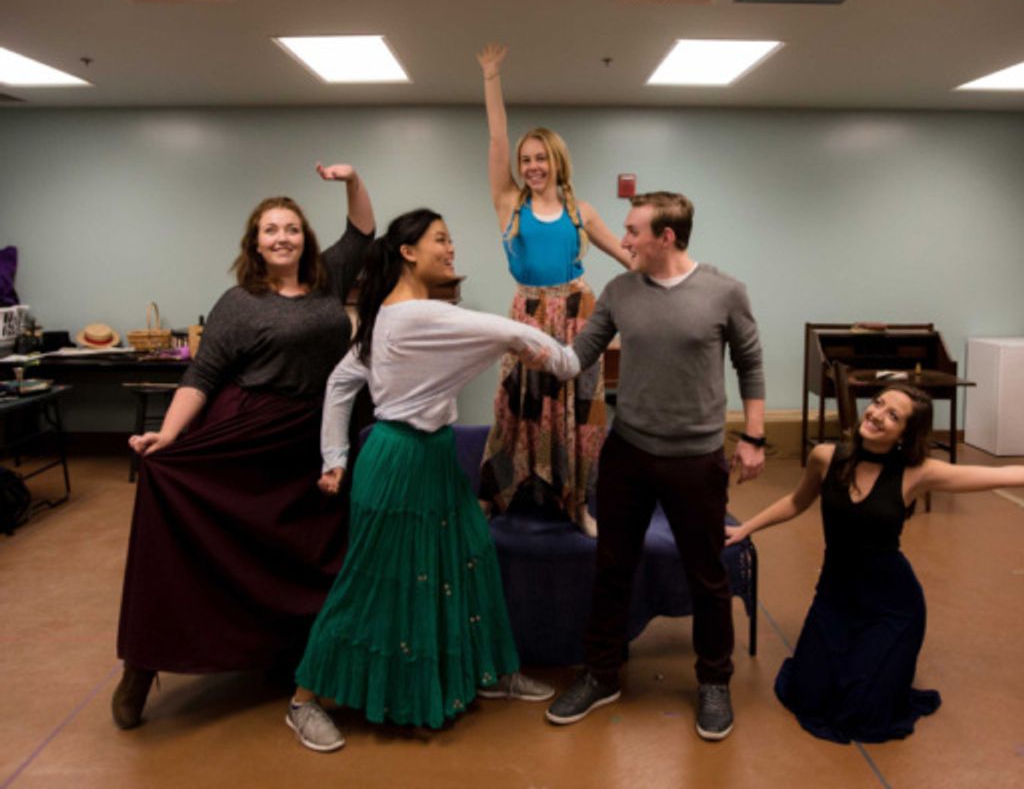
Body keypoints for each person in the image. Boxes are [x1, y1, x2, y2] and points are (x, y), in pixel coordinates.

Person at [286, 208, 579, 753]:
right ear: (408, 252)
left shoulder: (388, 317)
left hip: (435, 458)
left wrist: (336, 456)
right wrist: (563, 357)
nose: (451, 249)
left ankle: (492, 672)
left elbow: (342, 379)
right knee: (372, 581)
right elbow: (509, 330)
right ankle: (304, 701)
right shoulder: (413, 316)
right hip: (398, 464)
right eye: (441, 239)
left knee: (470, 559)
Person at [112, 164, 375, 730]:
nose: (283, 237)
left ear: (304, 237)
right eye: (271, 230)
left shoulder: (329, 282)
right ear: (255, 244)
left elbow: (361, 233)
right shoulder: (240, 302)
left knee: (308, 550)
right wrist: (170, 435)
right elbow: (203, 375)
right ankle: (143, 660)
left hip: (318, 437)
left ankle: (289, 653)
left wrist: (352, 181)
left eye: (292, 228)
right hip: (252, 436)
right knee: (189, 509)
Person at [726, 384, 1024, 744]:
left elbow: (999, 476)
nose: (877, 415)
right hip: (835, 595)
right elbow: (797, 502)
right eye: (878, 404)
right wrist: (747, 528)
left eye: (893, 415)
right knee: (809, 694)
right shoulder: (825, 456)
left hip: (892, 606)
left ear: (906, 433)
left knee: (864, 712)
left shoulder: (917, 474)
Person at [544, 191, 766, 742]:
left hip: (696, 458)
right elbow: (579, 355)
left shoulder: (724, 291)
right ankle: (601, 673)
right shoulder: (620, 291)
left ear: (666, 236)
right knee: (612, 567)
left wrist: (755, 436)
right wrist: (524, 343)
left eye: (632, 231)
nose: (622, 241)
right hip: (629, 454)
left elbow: (749, 362)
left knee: (707, 576)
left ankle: (714, 682)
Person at [475, 42, 631, 537]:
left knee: (582, 414)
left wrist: (666, 277)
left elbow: (626, 257)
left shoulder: (581, 211)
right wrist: (491, 77)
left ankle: (579, 504)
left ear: (557, 160)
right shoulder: (508, 204)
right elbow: (497, 136)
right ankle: (496, 494)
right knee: (513, 408)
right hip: (528, 314)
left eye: (541, 157)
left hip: (578, 315)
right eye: (526, 159)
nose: (532, 166)